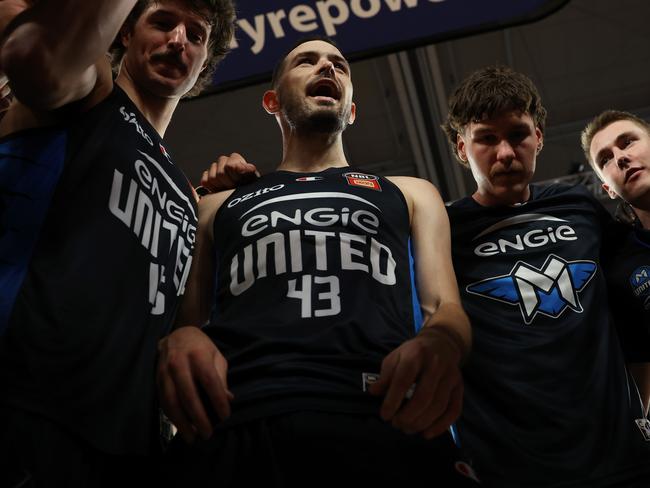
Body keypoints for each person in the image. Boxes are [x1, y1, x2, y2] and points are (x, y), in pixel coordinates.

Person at [156, 38, 480, 487]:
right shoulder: (216, 205)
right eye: (306, 61)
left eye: (340, 65)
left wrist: (443, 342)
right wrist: (180, 337)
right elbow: (186, 323)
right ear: (272, 101)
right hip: (243, 412)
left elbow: (445, 306)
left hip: (380, 406)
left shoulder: (411, 191)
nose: (327, 66)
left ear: (351, 111)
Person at [0, 0, 235, 486]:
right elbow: (38, 59)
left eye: (196, 34)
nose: (178, 41)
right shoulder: (93, 91)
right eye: (163, 22)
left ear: (203, 64)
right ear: (125, 33)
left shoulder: (189, 198)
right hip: (23, 400)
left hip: (123, 445)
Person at [440, 65, 650, 487]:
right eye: (486, 139)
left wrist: (641, 410)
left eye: (517, 135)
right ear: (462, 149)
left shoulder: (580, 208)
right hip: (511, 466)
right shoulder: (440, 228)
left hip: (621, 457)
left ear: (538, 137)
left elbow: (635, 310)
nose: (505, 153)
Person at [581, 109, 650, 398]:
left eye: (628, 142)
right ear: (608, 188)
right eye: (605, 159)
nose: (620, 157)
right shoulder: (619, 268)